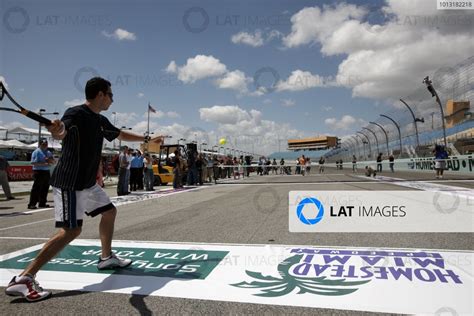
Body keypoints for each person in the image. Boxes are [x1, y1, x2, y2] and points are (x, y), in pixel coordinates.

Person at [5, 77, 163, 302]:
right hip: (71, 183)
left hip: (88, 183)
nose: (112, 99)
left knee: (109, 212)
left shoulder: (100, 120)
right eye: (110, 94)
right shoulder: (75, 113)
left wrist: (147, 138)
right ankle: (24, 278)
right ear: (100, 94)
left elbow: (119, 134)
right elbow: (61, 132)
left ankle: (106, 257)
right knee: (70, 231)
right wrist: (57, 130)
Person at [28, 139, 54, 209]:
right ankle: (31, 204)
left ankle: (42, 203)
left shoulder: (48, 152)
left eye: (46, 144)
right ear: (40, 144)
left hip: (46, 171)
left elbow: (53, 161)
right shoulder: (37, 152)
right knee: (36, 188)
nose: (45, 145)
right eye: (43, 144)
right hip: (38, 171)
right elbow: (32, 162)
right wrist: (43, 163)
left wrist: (50, 160)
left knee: (45, 188)